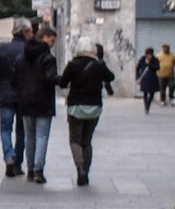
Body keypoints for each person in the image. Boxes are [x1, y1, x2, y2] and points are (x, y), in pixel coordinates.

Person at [58, 36, 116, 186]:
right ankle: (86, 171)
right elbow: (111, 77)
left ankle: (80, 169)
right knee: (87, 141)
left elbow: (63, 83)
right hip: (95, 107)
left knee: (75, 140)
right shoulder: (98, 65)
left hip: (76, 107)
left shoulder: (72, 65)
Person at [0, 17, 35, 177]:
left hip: (5, 94)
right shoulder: (29, 49)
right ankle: (18, 164)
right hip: (25, 95)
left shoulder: (0, 49)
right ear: (25, 32)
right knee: (21, 131)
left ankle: (8, 157)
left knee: (5, 129)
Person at [13, 24, 59, 184]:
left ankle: (30, 169)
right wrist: (61, 80)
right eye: (52, 40)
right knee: (41, 136)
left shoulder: (21, 57)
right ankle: (39, 170)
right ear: (45, 38)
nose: (52, 44)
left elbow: (14, 78)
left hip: (25, 101)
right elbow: (50, 78)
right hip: (44, 101)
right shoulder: (48, 58)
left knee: (29, 136)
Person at [137, 47, 160, 113]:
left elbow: (157, 67)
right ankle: (146, 107)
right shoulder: (142, 59)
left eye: (150, 54)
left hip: (153, 79)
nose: (148, 56)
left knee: (152, 94)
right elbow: (138, 68)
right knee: (145, 93)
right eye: (147, 54)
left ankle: (148, 104)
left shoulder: (155, 60)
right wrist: (138, 77)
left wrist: (149, 64)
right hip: (144, 79)